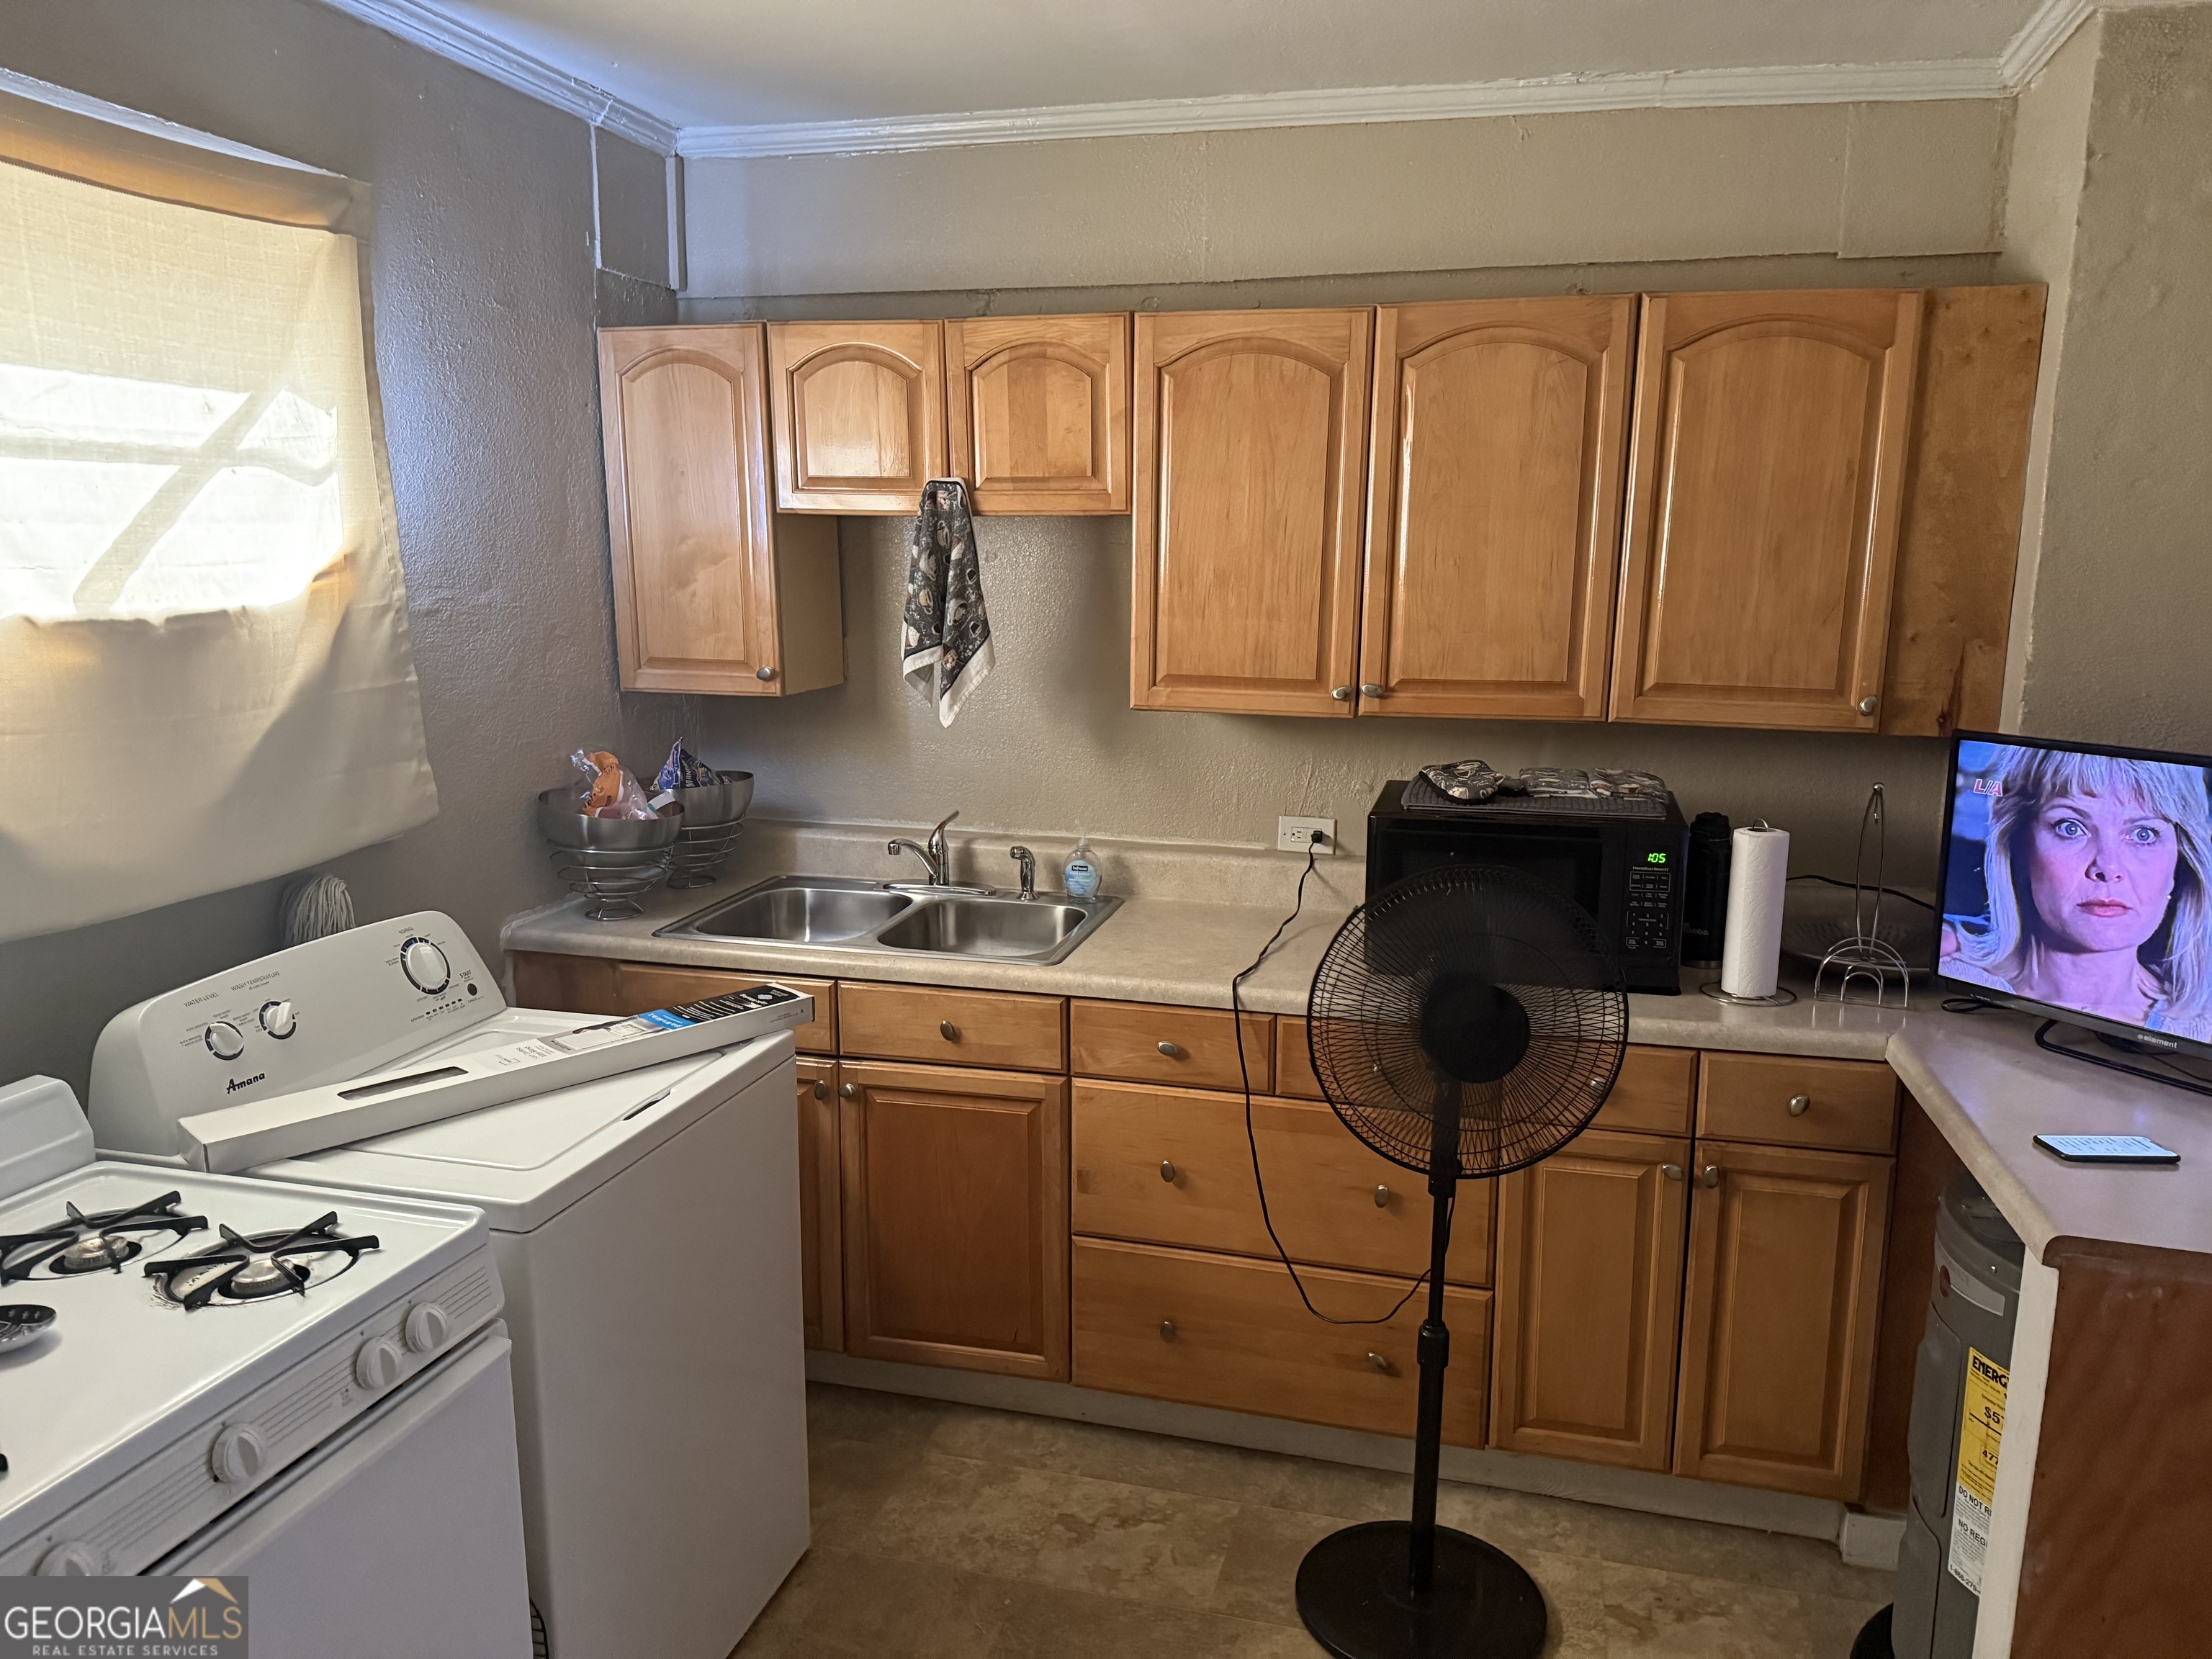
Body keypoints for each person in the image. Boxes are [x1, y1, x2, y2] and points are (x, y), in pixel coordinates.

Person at [1943, 745, 2212, 1041]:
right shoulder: (1953, 975)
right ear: (2018, 849)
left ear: (2178, 865)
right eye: (2071, 827)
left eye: (2143, 834)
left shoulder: (2200, 1028)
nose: (2108, 867)